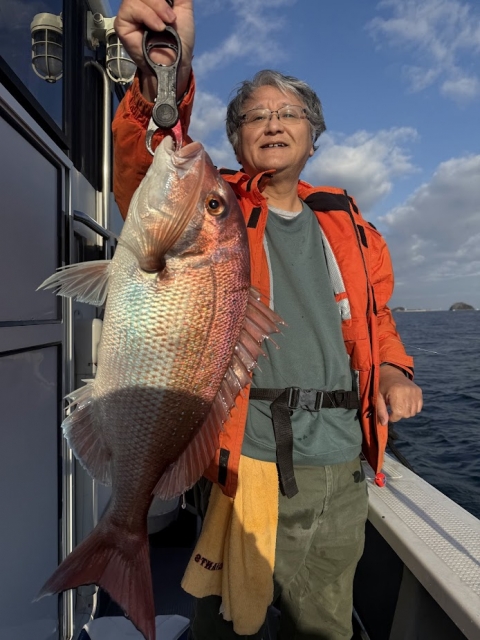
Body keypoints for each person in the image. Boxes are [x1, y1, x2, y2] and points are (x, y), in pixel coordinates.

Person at [113, 2, 423, 638]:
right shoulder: (215, 209)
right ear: (236, 140)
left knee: (325, 622)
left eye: (289, 114)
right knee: (224, 623)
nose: (274, 123)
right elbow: (145, 167)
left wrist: (394, 369)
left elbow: (376, 318)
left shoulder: (351, 228)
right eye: (256, 116)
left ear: (314, 134)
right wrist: (164, 73)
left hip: (338, 462)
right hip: (243, 457)